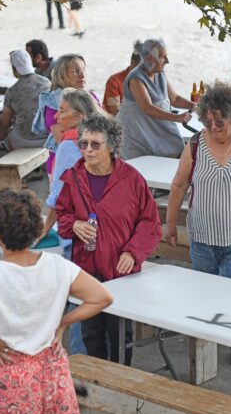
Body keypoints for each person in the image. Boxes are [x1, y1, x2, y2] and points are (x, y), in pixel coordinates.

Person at [0, 189, 112, 414]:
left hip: (9, 376)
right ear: (36, 231)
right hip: (52, 371)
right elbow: (102, 297)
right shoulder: (58, 266)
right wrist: (63, 323)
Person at [165, 82, 231, 366]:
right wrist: (170, 224)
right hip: (203, 237)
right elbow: (178, 186)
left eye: (220, 121)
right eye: (208, 121)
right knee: (205, 294)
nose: (213, 126)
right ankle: (207, 343)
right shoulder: (194, 146)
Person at [56, 115, 162, 364]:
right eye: (84, 144)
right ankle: (97, 379)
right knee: (90, 333)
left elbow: (150, 223)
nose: (88, 150)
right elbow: (62, 215)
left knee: (120, 335)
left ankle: (121, 377)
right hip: (87, 268)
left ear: (111, 145)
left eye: (95, 144)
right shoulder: (74, 177)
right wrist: (74, 224)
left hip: (120, 270)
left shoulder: (131, 179)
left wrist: (132, 252)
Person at [40, 88, 104, 354]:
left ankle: (80, 360)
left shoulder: (69, 145)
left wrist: (42, 230)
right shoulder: (101, 140)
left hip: (78, 232)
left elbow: (58, 197)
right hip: (103, 230)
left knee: (78, 300)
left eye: (63, 111)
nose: (56, 117)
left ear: (79, 117)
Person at [117, 38, 195, 160]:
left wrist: (195, 105)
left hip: (155, 131)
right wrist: (177, 117)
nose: (167, 61)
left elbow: (174, 99)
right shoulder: (136, 78)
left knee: (177, 154)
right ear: (150, 58)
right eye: (163, 57)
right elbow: (147, 108)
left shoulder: (160, 73)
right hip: (136, 137)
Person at [32, 54, 97, 176]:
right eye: (76, 71)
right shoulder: (52, 103)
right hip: (65, 169)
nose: (82, 75)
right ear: (62, 75)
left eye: (83, 70)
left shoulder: (91, 97)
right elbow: (61, 140)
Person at [0, 50, 50, 151]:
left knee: (10, 130)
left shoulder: (12, 91)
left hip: (24, 141)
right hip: (46, 138)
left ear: (14, 68)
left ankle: (5, 154)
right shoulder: (47, 83)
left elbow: (4, 123)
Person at [103, 41, 142, 115]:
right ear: (132, 63)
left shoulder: (149, 79)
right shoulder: (113, 81)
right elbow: (116, 112)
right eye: (143, 69)